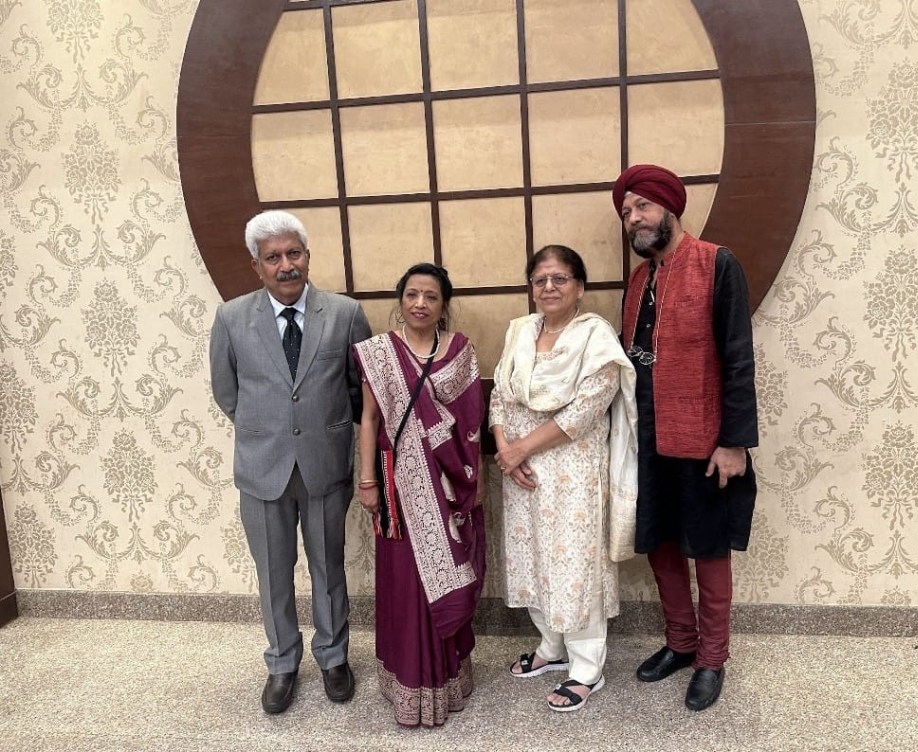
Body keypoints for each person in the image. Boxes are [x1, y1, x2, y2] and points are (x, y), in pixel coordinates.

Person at [209, 210, 371, 714]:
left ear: (307, 255)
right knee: (274, 572)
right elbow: (227, 392)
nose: (286, 265)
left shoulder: (344, 314)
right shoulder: (231, 318)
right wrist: (268, 430)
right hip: (262, 469)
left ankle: (334, 657)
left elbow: (358, 391)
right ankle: (282, 663)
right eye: (273, 257)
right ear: (257, 265)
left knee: (328, 567)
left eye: (293, 253)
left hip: (324, 465)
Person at [613, 164, 758, 711]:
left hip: (704, 438)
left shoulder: (717, 263)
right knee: (660, 541)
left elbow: (739, 357)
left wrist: (734, 442)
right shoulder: (638, 280)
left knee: (709, 548)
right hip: (646, 435)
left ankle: (712, 658)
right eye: (627, 212)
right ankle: (680, 642)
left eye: (642, 207)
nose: (634, 218)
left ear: (669, 208)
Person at [490, 245, 637, 713]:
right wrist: (505, 450)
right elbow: (499, 395)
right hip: (521, 473)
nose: (549, 287)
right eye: (540, 280)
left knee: (575, 565)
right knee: (533, 558)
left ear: (579, 287)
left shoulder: (595, 337)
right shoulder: (520, 331)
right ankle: (551, 648)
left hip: (572, 472)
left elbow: (586, 409)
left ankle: (587, 667)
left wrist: (519, 449)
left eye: (560, 278)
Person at [352, 263, 486, 727]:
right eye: (412, 294)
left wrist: (474, 482)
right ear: (400, 300)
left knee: (448, 578)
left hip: (448, 488)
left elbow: (471, 425)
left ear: (443, 305)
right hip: (399, 487)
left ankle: (447, 677)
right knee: (406, 583)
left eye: (431, 296)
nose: (420, 303)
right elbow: (369, 419)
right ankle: (409, 680)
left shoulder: (461, 352)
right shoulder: (380, 353)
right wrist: (366, 480)